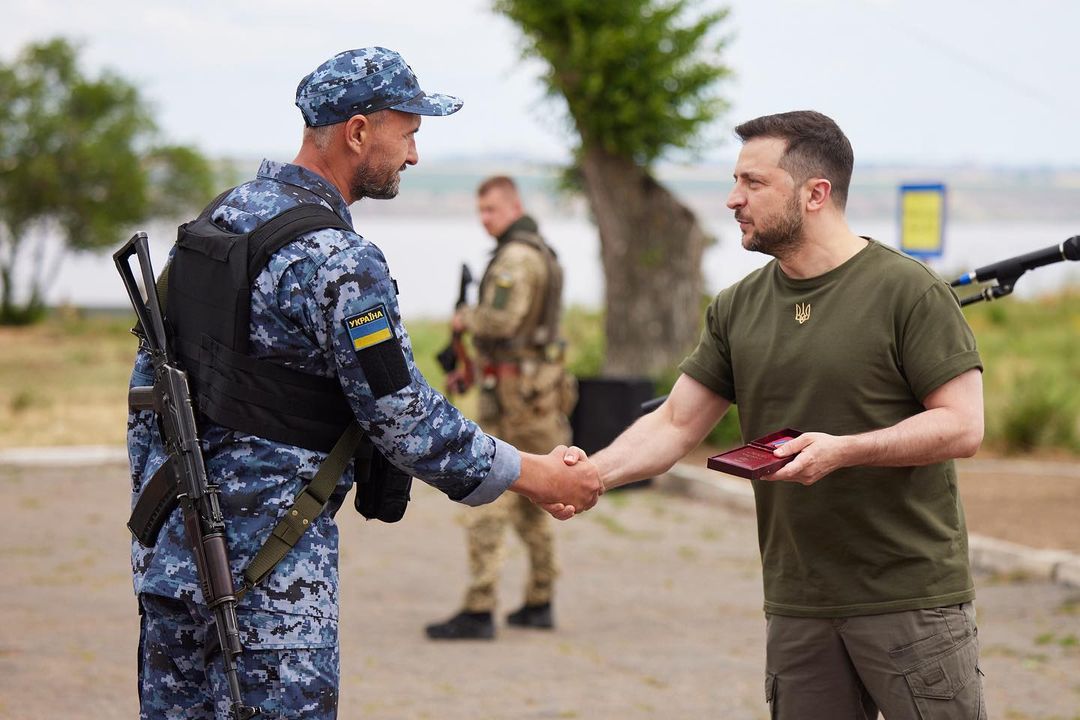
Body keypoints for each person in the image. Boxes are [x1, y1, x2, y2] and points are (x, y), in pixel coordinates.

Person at [125, 47, 600, 719]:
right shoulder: (340, 262)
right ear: (357, 132)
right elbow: (405, 419)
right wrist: (534, 474)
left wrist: (159, 533)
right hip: (269, 594)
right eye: (407, 133)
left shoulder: (217, 223)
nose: (413, 155)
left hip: (173, 569)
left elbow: (149, 393)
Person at [563, 110, 987, 719]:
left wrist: (846, 449)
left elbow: (962, 425)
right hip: (798, 603)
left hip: (911, 600)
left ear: (816, 193)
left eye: (754, 183)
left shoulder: (909, 291)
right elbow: (676, 422)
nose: (733, 199)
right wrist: (589, 476)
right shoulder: (738, 306)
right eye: (735, 181)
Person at [425, 176, 575, 640]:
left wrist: (466, 318)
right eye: (481, 210)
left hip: (512, 402)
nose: (484, 219)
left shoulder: (515, 258)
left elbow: (503, 319)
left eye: (490, 210)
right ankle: (540, 598)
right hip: (540, 396)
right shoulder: (542, 251)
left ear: (513, 206)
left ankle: (480, 606)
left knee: (487, 494)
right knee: (541, 497)